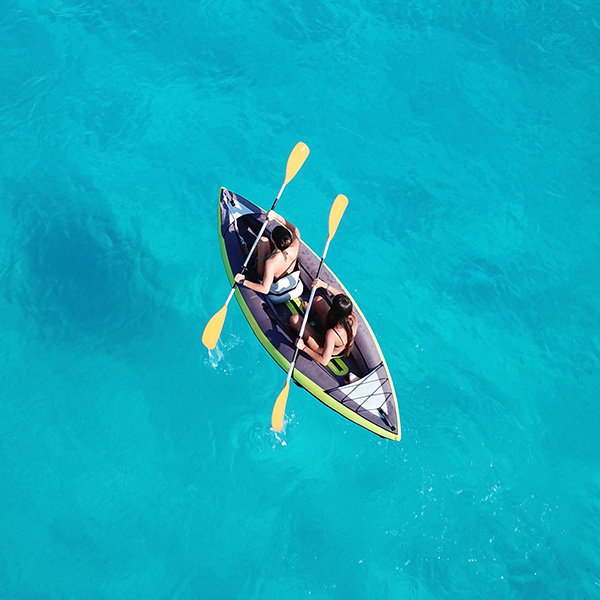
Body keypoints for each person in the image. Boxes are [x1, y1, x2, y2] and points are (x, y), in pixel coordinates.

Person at [234, 210, 303, 303]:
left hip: (276, 296)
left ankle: (248, 257)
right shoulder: (294, 247)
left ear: (274, 242)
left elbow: (265, 289)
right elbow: (295, 230)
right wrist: (276, 216)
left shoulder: (271, 262)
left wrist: (243, 281)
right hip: (297, 288)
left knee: (263, 241)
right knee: (264, 241)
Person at [290, 278, 357, 365]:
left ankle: (292, 327)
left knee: (294, 319)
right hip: (333, 328)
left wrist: (303, 347)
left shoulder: (332, 334)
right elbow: (341, 296)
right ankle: (309, 312)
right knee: (318, 299)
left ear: (334, 312)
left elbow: (324, 361)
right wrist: (324, 285)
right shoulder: (351, 315)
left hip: (323, 348)